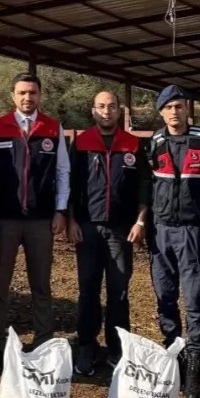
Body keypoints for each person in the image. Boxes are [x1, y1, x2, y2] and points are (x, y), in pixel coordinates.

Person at [0, 73, 69, 376]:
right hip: (4, 218)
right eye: (21, 92)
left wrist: (60, 210)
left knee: (41, 284)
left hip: (41, 219)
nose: (27, 98)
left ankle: (43, 344)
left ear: (40, 95)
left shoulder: (53, 128)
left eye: (32, 92)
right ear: (12, 95)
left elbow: (63, 172)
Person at [146, 85, 200, 398]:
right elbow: (147, 184)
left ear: (186, 109)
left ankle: (195, 364)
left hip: (193, 230)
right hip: (161, 229)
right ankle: (173, 354)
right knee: (164, 295)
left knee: (194, 298)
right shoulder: (155, 142)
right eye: (169, 107)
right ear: (161, 112)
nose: (174, 112)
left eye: (179, 106)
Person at [68, 90, 151, 376]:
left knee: (119, 292)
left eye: (112, 106)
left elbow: (143, 184)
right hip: (88, 227)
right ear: (93, 111)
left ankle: (117, 348)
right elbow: (70, 184)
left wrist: (140, 221)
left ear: (120, 111)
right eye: (101, 107)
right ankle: (87, 346)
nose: (106, 111)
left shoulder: (132, 144)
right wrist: (71, 220)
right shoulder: (80, 143)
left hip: (121, 229)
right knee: (88, 291)